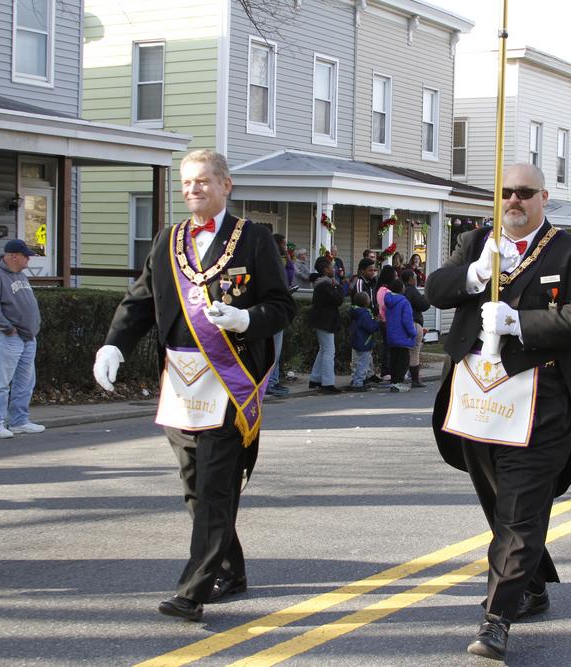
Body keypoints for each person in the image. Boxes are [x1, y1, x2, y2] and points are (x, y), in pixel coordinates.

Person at [92, 149, 296, 622]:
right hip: (180, 384)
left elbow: (282, 307)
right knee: (194, 485)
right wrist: (114, 345)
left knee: (216, 486)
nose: (193, 190)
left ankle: (193, 589)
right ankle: (230, 569)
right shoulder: (168, 239)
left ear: (226, 185)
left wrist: (246, 318)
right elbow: (139, 300)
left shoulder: (255, 239)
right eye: (186, 183)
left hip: (229, 381)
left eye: (203, 181)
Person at [426, 163, 571, 661]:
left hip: (541, 403)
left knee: (521, 512)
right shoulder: (478, 241)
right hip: (479, 401)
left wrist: (520, 321)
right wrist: (476, 274)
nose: (513, 201)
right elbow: (434, 290)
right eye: (504, 192)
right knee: (503, 510)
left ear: (544, 197)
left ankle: (495, 618)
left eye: (524, 193)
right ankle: (532, 586)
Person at [0, 239, 45, 439]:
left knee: (25, 382)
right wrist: (7, 328)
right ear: (14, 256)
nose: (29, 260)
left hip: (28, 337)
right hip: (8, 337)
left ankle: (19, 421)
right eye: (26, 256)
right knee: (1, 382)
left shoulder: (21, 276)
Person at [307, 256, 344, 394]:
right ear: (325, 269)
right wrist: (338, 286)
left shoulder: (322, 283)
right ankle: (327, 383)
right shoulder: (325, 285)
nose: (333, 269)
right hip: (325, 321)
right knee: (329, 350)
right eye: (331, 266)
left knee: (323, 349)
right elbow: (338, 300)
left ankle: (315, 378)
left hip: (322, 320)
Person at [266, 233, 295, 397]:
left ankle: (274, 381)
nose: (286, 247)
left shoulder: (280, 261)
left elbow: (290, 275)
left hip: (281, 309)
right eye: (283, 244)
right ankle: (268, 383)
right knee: (272, 351)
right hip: (272, 311)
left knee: (277, 351)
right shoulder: (269, 261)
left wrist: (287, 257)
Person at [383, 278, 416, 392]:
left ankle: (394, 382)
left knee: (393, 359)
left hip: (391, 335)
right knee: (403, 361)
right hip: (402, 336)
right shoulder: (404, 302)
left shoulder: (388, 301)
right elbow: (407, 320)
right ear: (402, 289)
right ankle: (399, 381)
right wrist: (413, 333)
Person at [401, 268, 430, 388]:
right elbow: (423, 305)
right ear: (410, 279)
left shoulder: (401, 291)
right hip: (414, 322)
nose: (416, 279)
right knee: (414, 351)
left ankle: (401, 376)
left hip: (402, 324)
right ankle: (415, 379)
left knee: (404, 352)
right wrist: (427, 297)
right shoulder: (412, 291)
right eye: (415, 277)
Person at [347, 292, 380, 391]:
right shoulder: (364, 314)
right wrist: (377, 322)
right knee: (363, 363)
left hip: (358, 340)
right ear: (366, 302)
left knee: (358, 362)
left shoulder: (356, 312)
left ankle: (356, 380)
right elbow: (371, 327)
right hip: (364, 341)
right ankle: (358, 383)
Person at [375, 265, 398, 383]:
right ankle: (386, 371)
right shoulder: (385, 291)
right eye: (395, 276)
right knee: (388, 347)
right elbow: (385, 306)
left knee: (388, 346)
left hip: (384, 320)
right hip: (386, 321)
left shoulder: (380, 290)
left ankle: (388, 370)